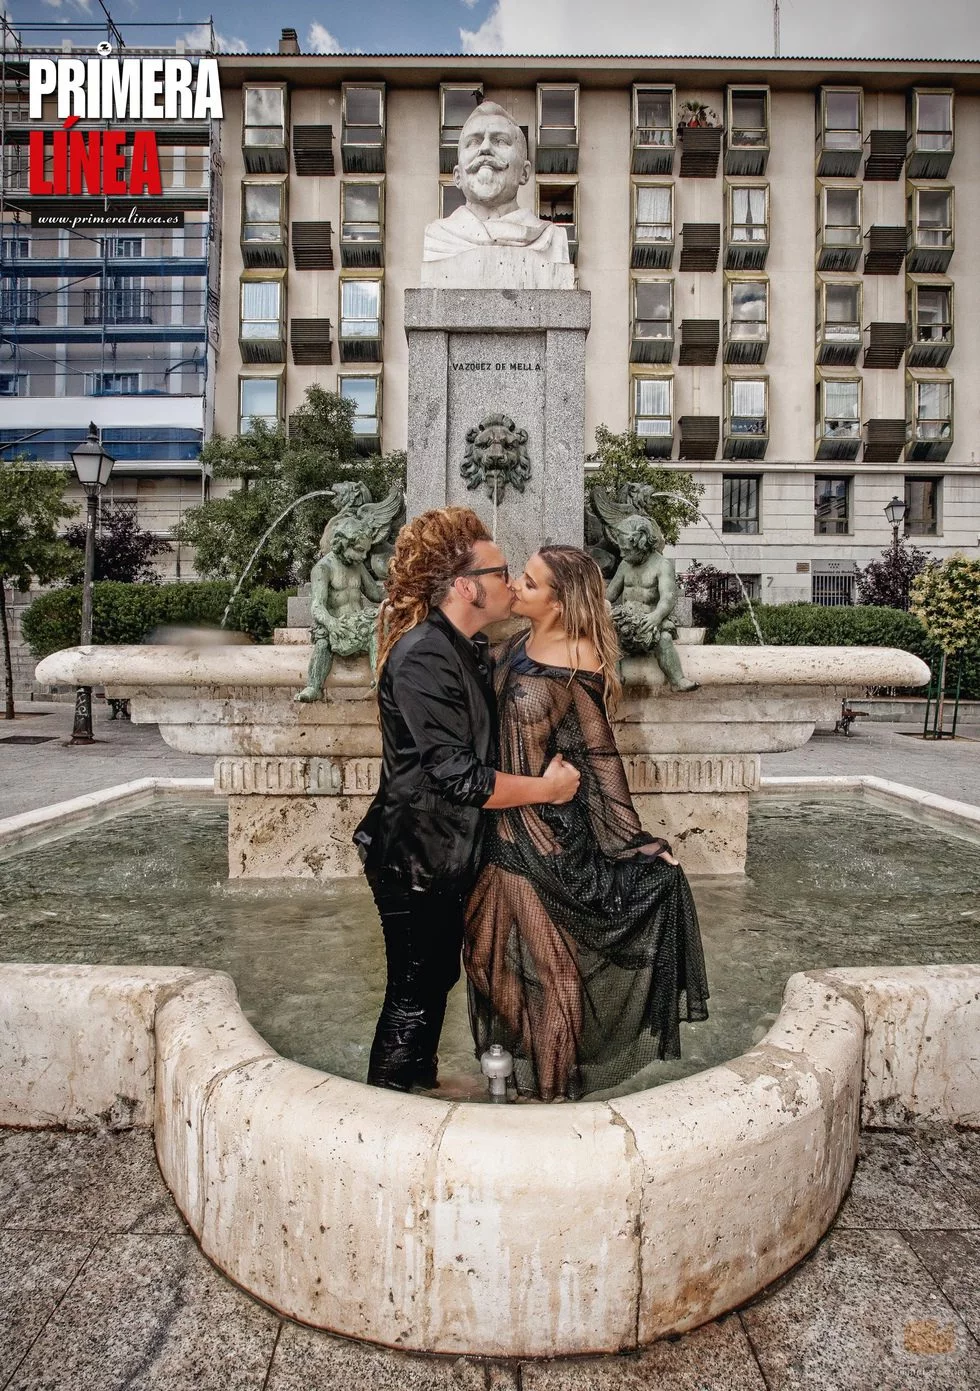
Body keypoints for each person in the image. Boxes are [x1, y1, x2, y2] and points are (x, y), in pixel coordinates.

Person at [464, 544, 709, 1102]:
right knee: (482, 960)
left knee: (554, 973)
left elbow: (600, 756)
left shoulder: (581, 661)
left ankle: (552, 1093)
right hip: (502, 828)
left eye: (530, 582)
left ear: (560, 601)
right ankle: (546, 1058)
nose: (516, 586)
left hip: (544, 837)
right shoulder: (515, 643)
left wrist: (634, 841)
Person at [353, 508, 581, 1093]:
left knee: (432, 980)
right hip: (414, 856)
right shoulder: (424, 654)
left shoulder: (464, 646)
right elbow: (460, 777)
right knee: (413, 990)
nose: (509, 582)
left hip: (442, 852)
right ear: (465, 586)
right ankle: (388, 1107)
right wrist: (549, 790)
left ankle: (418, 1087)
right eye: (500, 572)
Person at [422, 101, 569, 264]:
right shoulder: (438, 236)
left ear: (524, 172)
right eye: (473, 142)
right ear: (457, 176)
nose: (485, 148)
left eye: (500, 141)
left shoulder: (551, 238)